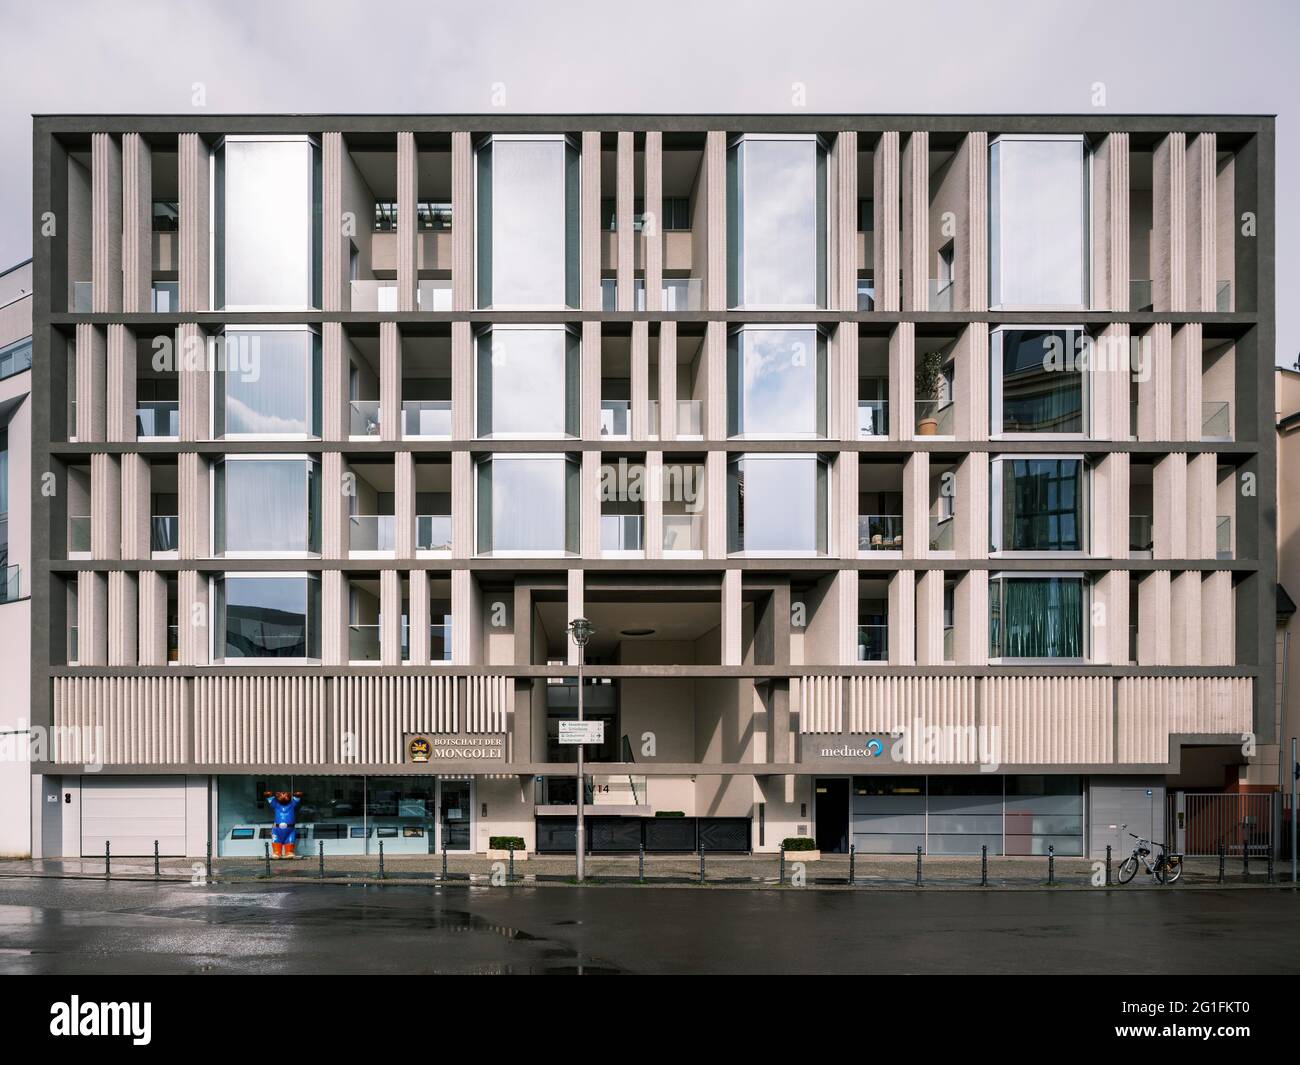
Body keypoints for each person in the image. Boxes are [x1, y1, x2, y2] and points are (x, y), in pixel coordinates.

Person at [264, 789, 303, 859]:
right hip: (277, 829)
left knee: (290, 839)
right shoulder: (275, 804)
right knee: (276, 840)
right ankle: (277, 852)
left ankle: (289, 851)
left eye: (285, 794)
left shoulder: (292, 804)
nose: (283, 796)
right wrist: (269, 795)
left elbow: (297, 798)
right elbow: (270, 799)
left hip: (290, 830)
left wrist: (297, 795)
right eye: (281, 794)